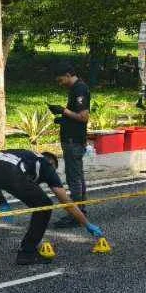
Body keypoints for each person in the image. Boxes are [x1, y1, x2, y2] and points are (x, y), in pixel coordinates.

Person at [0, 148, 103, 265]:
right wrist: (86, 224)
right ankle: (27, 253)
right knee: (44, 205)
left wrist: (2, 201)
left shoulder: (26, 155)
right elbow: (66, 201)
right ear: (52, 164)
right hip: (8, 169)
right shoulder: (47, 165)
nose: (48, 179)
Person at [49, 63, 90, 227]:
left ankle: (76, 215)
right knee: (77, 176)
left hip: (74, 141)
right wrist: (63, 119)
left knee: (74, 178)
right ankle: (80, 210)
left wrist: (63, 111)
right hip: (72, 138)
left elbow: (83, 117)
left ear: (68, 74)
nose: (61, 83)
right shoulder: (75, 89)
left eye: (61, 80)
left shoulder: (80, 89)